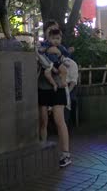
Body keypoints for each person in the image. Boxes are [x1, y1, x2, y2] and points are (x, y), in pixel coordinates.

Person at [37, 20, 72, 168]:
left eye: (56, 30)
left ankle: (65, 153)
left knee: (59, 120)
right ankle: (42, 149)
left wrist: (60, 56)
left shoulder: (60, 48)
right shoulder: (40, 47)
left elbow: (68, 61)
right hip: (43, 87)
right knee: (43, 120)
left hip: (58, 85)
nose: (53, 33)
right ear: (46, 33)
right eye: (50, 30)